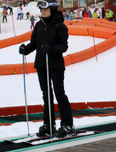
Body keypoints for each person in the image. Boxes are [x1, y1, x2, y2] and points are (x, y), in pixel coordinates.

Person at [18, 0, 75, 138]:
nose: (42, 12)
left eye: (45, 9)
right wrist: (26, 49)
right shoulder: (38, 25)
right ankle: (49, 124)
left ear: (52, 10)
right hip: (41, 65)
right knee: (46, 95)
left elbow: (64, 46)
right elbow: (34, 44)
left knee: (59, 93)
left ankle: (67, 124)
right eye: (41, 9)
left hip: (55, 65)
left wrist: (52, 49)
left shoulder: (60, 26)